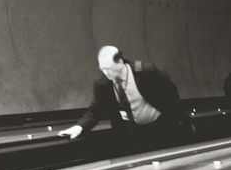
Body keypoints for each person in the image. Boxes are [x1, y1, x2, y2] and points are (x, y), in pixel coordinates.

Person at [58, 45, 190, 152]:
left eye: (109, 68)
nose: (106, 73)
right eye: (102, 69)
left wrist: (179, 119)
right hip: (134, 134)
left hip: (161, 128)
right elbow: (95, 111)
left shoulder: (146, 72)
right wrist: (79, 127)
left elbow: (171, 93)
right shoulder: (102, 84)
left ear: (120, 61)